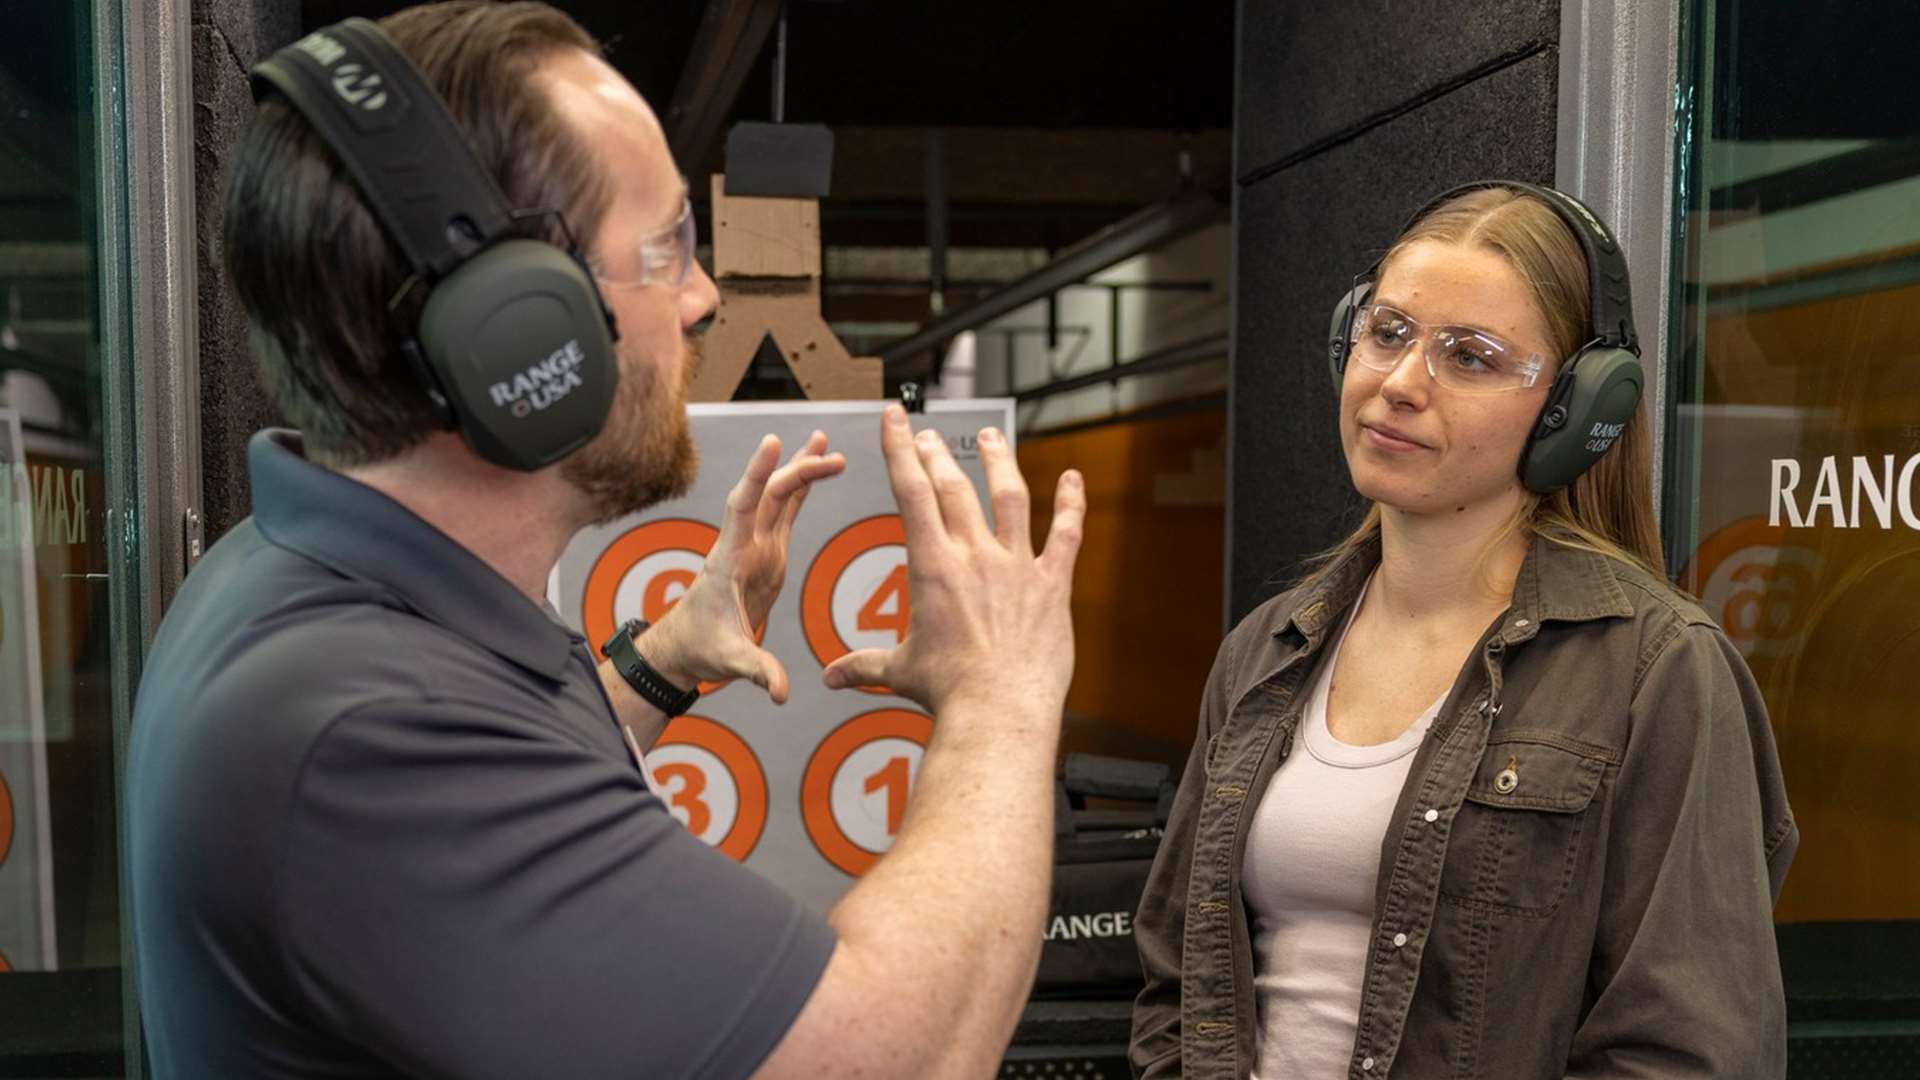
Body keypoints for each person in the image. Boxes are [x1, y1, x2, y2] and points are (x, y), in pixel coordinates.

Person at [127, 4, 1086, 1077]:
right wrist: (1001, 692)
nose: (705, 296)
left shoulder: (302, 581)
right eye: (669, 248)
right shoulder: (364, 728)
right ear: (520, 331)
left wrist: (662, 663)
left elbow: (489, 784)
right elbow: (903, 1057)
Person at [1129, 183, 1798, 1079]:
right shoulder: (1267, 648)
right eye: (1389, 332)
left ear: (1573, 408)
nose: (1401, 384)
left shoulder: (1658, 670)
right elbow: (1178, 985)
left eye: (1471, 357)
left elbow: (1687, 1052)